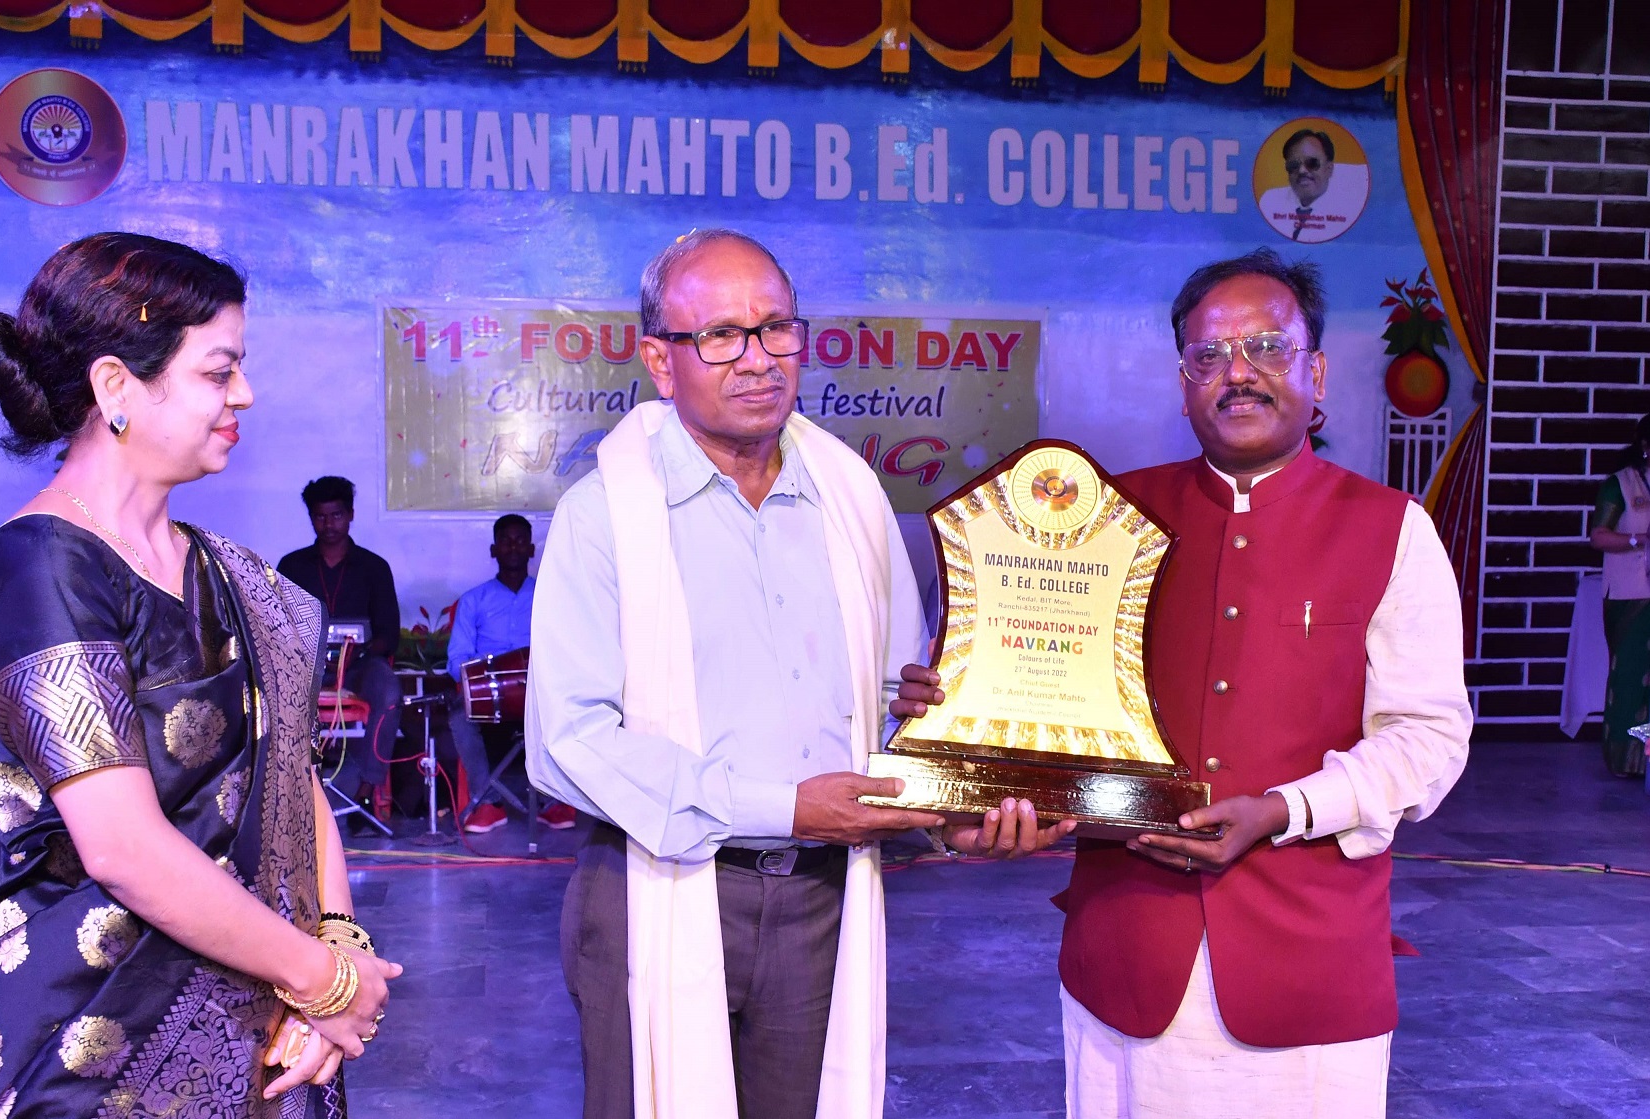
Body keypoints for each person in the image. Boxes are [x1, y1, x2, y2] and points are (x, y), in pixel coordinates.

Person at [901, 248, 1471, 1117]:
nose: (1237, 373)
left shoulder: (1392, 529)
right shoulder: (1108, 525)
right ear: (1181, 383)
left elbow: (1427, 738)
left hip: (1307, 963)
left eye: (1266, 347)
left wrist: (1284, 808)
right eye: (1208, 355)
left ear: (1316, 371)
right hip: (1126, 952)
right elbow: (1024, 682)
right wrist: (957, 720)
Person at [526, 229, 1065, 1119]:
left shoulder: (850, 499)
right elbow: (569, 743)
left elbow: (896, 709)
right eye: (720, 335)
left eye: (776, 327)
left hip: (823, 900)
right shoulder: (604, 515)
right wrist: (784, 807)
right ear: (660, 361)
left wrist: (951, 812)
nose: (757, 358)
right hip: (654, 891)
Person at [0, 232, 401, 1119]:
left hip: (269, 1018)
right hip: (93, 1032)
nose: (244, 393)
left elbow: (293, 778)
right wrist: (323, 979)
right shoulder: (42, 567)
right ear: (116, 386)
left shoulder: (228, 573)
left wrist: (337, 945)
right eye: (217, 371)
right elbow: (122, 849)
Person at [278, 477, 405, 817]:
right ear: (311, 517)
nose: (329, 524)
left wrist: (355, 654)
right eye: (320, 516)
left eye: (336, 515)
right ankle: (294, 795)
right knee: (275, 691)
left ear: (350, 515)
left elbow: (389, 634)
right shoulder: (292, 566)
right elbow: (279, 627)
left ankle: (366, 791)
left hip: (360, 666)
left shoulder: (374, 567)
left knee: (389, 692)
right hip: (307, 668)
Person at [445, 514, 575, 833]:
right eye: (505, 541)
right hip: (489, 694)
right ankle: (487, 803)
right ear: (494, 550)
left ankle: (553, 802)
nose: (513, 547)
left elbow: (568, 649)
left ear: (531, 549)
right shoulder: (473, 600)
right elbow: (456, 660)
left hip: (538, 691)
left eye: (520, 541)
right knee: (460, 716)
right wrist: (485, 675)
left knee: (569, 711)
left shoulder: (551, 595)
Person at [1587, 415, 1650, 778]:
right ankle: (1624, 759)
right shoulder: (1621, 485)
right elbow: (1598, 536)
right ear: (1645, 446)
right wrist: (1639, 540)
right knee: (1629, 675)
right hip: (1630, 595)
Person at [1257, 128, 1370, 244]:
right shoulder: (1270, 201)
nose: (1301, 171)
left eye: (1312, 163)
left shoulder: (1351, 207)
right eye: (1293, 165)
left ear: (1329, 169)